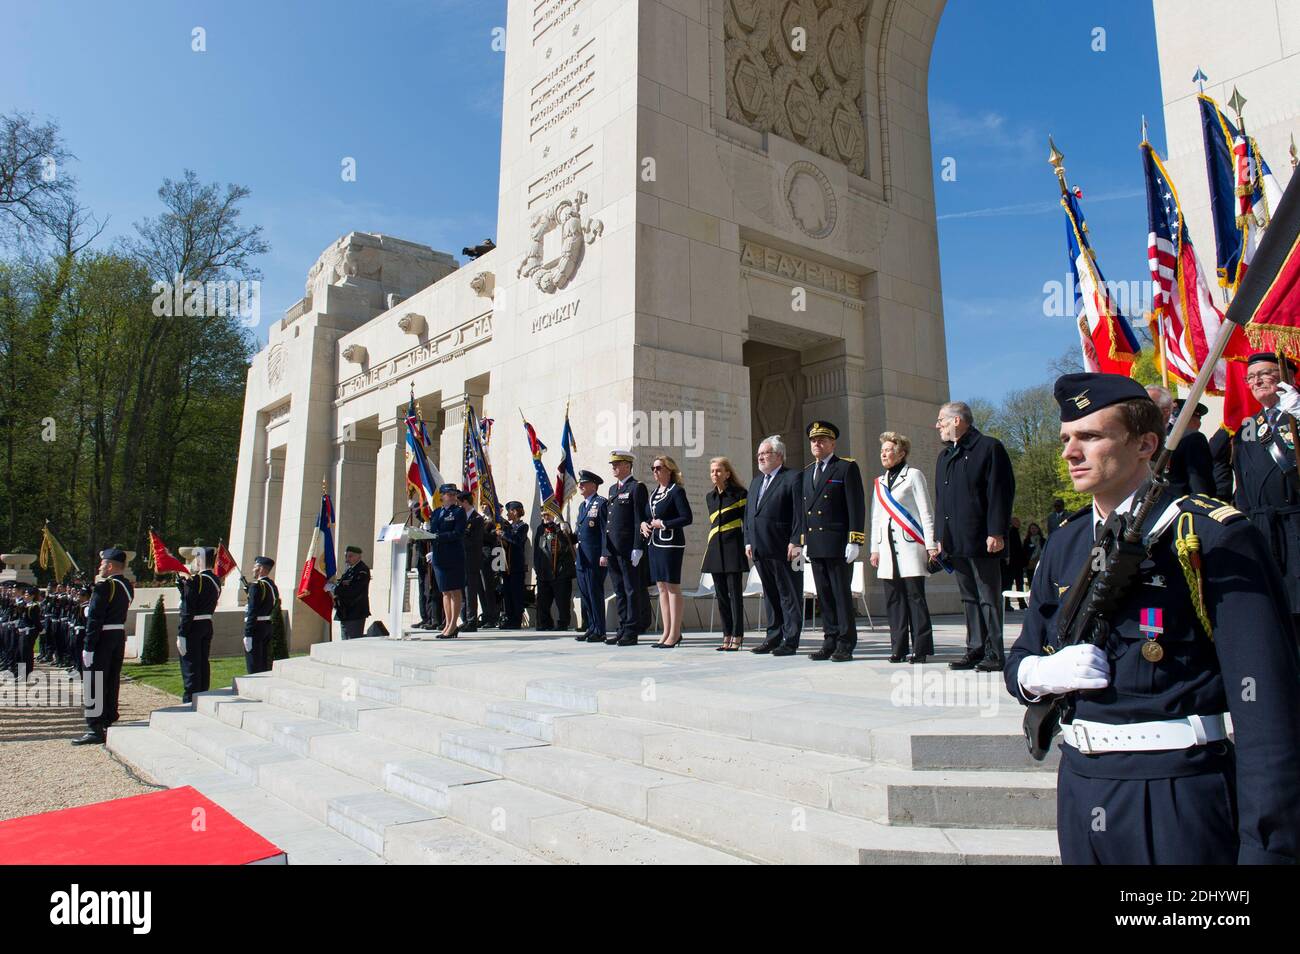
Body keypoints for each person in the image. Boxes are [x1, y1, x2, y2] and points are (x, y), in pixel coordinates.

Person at [1005, 371, 1300, 864]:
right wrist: (1039, 674)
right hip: (1080, 785)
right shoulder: (1066, 543)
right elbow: (1022, 660)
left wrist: (1269, 849)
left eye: (1091, 436)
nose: (1069, 453)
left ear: (1146, 443)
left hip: (1175, 790)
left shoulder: (1209, 535)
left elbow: (1267, 706)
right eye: (1066, 439)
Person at [933, 400, 1015, 672]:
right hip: (955, 540)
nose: (937, 426)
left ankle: (994, 651)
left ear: (957, 420)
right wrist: (939, 536)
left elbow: (999, 493)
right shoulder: (944, 457)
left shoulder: (989, 448)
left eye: (941, 421)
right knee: (968, 597)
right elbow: (941, 501)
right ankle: (975, 648)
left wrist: (996, 531)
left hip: (983, 538)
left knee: (987, 597)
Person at [1231, 351, 1300, 632]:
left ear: (1287, 377)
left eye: (1265, 374)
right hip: (1264, 529)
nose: (1257, 381)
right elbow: (1243, 487)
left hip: (1296, 522)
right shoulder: (1248, 429)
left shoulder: (1296, 414)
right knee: (1277, 610)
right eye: (1251, 377)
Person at [798, 420, 865, 662]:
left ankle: (845, 643)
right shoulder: (807, 472)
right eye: (814, 440)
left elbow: (856, 505)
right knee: (823, 595)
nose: (817, 443)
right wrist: (804, 540)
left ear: (832, 443)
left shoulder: (845, 468)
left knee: (840, 594)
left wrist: (855, 539)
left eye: (822, 440)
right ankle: (830, 640)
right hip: (816, 543)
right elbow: (804, 509)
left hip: (838, 542)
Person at [869, 431, 936, 663]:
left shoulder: (913, 475)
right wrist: (874, 549)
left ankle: (921, 647)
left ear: (901, 453)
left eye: (889, 450)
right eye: (882, 451)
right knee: (894, 600)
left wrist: (931, 545)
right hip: (886, 549)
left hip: (910, 546)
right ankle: (898, 647)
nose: (884, 454)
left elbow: (926, 511)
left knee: (915, 598)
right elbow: (876, 517)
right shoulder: (879, 482)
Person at [745, 435, 804, 656]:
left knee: (789, 594)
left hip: (787, 548)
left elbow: (800, 513)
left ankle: (791, 639)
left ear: (779, 455)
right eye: (759, 454)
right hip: (760, 547)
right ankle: (773, 636)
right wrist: (748, 540)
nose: (760, 457)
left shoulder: (793, 477)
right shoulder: (756, 481)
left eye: (765, 453)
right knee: (770, 594)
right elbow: (749, 514)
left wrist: (796, 541)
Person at [72, 549, 134, 745]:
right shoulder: (126, 586)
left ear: (109, 566)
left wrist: (89, 646)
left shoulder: (104, 587)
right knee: (111, 679)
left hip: (102, 637)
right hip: (117, 636)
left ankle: (94, 727)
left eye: (102, 565)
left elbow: (95, 618)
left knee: (95, 681)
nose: (99, 568)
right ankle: (108, 717)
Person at [644, 455, 693, 648]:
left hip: (671, 545)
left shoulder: (676, 492)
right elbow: (649, 516)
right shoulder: (654, 493)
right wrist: (644, 524)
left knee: (672, 587)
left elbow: (686, 518)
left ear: (669, 470)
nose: (655, 471)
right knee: (661, 588)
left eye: (658, 468)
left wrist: (664, 524)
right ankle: (666, 631)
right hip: (655, 544)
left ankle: (675, 633)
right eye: (653, 468)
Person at [604, 450, 651, 645]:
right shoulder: (612, 489)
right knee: (620, 590)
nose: (613, 468)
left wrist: (638, 546)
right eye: (613, 464)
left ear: (627, 465)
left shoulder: (636, 487)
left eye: (617, 464)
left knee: (632, 590)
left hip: (628, 549)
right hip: (614, 549)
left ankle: (632, 629)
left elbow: (639, 519)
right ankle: (622, 627)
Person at [702, 456, 747, 651]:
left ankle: (737, 635)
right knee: (720, 596)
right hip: (715, 549)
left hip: (733, 548)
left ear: (727, 473)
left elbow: (746, 522)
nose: (715, 474)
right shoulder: (709, 497)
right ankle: (726, 635)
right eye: (712, 471)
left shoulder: (739, 494)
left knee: (735, 595)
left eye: (719, 471)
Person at [1147, 386, 1216, 498]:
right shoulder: (1135, 440)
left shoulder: (1190, 439)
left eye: (1147, 406)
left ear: (1165, 412)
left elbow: (1201, 491)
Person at [177, 547, 221, 705]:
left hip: (193, 626)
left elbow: (188, 608)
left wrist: (182, 632)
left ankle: (190, 700)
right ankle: (203, 695)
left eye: (196, 559)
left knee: (191, 666)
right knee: (203, 663)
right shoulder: (215, 580)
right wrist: (184, 589)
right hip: (207, 623)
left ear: (200, 560)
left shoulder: (197, 580)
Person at [428, 483, 468, 638]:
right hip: (439, 555)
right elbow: (433, 530)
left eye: (453, 494)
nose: (451, 496)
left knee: (455, 590)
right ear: (442, 496)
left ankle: (452, 625)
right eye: (448, 494)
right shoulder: (437, 512)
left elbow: (458, 533)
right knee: (445, 591)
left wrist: (439, 536)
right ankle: (447, 624)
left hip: (453, 555)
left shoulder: (459, 512)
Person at [573, 471, 609, 643]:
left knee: (595, 593)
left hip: (595, 557)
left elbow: (604, 532)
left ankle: (600, 630)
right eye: (580, 483)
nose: (580, 485)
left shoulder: (600, 503)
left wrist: (604, 554)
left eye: (584, 483)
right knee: (585, 594)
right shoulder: (582, 506)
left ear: (593, 486)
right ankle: (591, 627)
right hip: (582, 558)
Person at [534, 509, 577, 630]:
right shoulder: (540, 529)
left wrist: (562, 530)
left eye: (547, 514)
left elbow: (568, 543)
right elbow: (537, 551)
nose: (545, 517)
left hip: (560, 571)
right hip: (544, 571)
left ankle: (563, 623)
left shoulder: (562, 526)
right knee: (543, 601)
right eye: (543, 515)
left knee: (562, 601)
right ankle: (544, 623)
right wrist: (537, 568)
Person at [243, 556, 278, 674]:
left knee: (253, 664)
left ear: (261, 569)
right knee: (263, 662)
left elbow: (253, 610)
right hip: (267, 626)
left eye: (255, 567)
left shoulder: (256, 586)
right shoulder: (271, 585)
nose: (253, 570)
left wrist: (248, 633)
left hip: (256, 628)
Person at [330, 546, 371, 640]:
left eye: (350, 556)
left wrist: (334, 589)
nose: (347, 559)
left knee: (353, 641)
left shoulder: (362, 570)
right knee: (345, 640)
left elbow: (354, 591)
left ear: (358, 557)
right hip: (345, 611)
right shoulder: (350, 570)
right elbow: (342, 584)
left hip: (355, 611)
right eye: (346, 556)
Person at [460, 492, 487, 632]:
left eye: (459, 503)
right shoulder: (462, 517)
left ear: (465, 502)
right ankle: (465, 618)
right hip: (461, 559)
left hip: (472, 559)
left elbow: (475, 540)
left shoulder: (477, 518)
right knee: (462, 592)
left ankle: (471, 621)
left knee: (470, 591)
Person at [500, 501, 529, 629]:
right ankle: (509, 617)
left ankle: (516, 619)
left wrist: (503, 534)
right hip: (506, 565)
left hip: (516, 565)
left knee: (516, 594)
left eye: (509, 511)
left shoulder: (523, 526)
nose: (507, 514)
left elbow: (517, 540)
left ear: (515, 511)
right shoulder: (508, 527)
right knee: (507, 593)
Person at [1002, 516, 1027, 611]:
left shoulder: (1015, 532)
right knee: (1008, 584)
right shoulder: (1010, 532)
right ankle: (1007, 604)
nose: (1018, 523)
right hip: (1011, 562)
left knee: (1019, 583)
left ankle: (1021, 603)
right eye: (1016, 522)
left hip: (1017, 563)